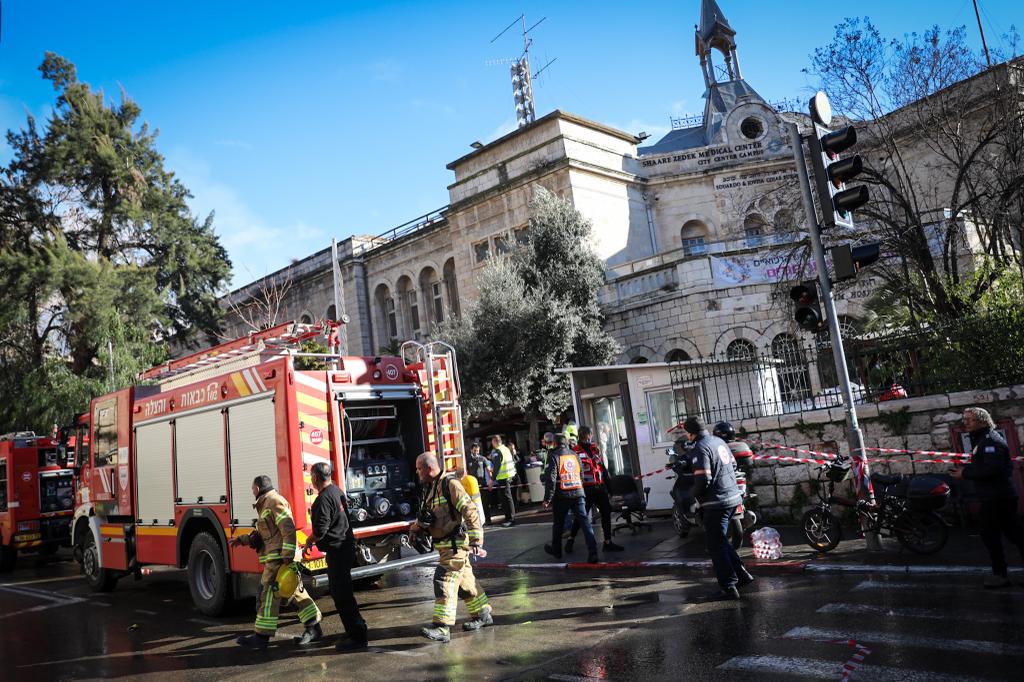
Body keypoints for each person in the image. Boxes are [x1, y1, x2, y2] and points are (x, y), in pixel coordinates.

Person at [231, 475, 322, 650]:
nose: (252, 491)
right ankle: (314, 629)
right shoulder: (265, 504)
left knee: (267, 595)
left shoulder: (274, 501)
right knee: (295, 594)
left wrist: (287, 557)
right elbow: (265, 535)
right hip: (277, 558)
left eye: (252, 488)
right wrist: (243, 540)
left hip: (280, 559)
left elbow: (288, 529)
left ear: (257, 488)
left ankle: (261, 637)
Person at [413, 452, 493, 643]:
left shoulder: (450, 484)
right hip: (445, 547)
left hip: (455, 546)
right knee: (466, 585)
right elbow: (429, 516)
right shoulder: (430, 488)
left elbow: (470, 510)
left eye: (419, 469)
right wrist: (416, 529)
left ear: (429, 468)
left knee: (444, 581)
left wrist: (476, 539)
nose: (417, 472)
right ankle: (483, 614)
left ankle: (442, 627)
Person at [952, 407, 1024, 588]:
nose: (965, 423)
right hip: (994, 496)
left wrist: (965, 473)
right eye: (964, 419)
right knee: (1006, 533)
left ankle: (1000, 574)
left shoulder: (990, 441)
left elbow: (992, 469)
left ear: (982, 422)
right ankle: (1000, 573)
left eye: (969, 420)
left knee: (1000, 534)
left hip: (998, 497)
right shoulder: (982, 439)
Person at [683, 416, 754, 600]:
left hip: (717, 502)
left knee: (715, 545)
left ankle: (728, 586)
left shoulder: (700, 447)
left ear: (690, 433)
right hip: (732, 498)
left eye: (686, 433)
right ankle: (742, 575)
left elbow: (703, 479)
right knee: (721, 541)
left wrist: (693, 496)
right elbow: (733, 464)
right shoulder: (718, 441)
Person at [306, 462, 368, 651]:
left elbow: (320, 530)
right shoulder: (336, 491)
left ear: (316, 478)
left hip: (338, 551)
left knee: (342, 596)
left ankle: (357, 636)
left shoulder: (323, 499)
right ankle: (356, 629)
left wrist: (309, 540)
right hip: (345, 548)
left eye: (311, 476)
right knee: (344, 593)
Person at [566, 426, 624, 553]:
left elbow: (602, 469)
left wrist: (610, 489)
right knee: (581, 516)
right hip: (585, 490)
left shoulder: (594, 449)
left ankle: (607, 542)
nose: (591, 436)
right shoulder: (574, 452)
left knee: (606, 512)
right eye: (590, 434)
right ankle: (571, 539)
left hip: (599, 487)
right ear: (588, 435)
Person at [543, 434, 599, 563]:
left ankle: (557, 551)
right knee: (585, 523)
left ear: (555, 443)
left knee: (558, 524)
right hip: (578, 493)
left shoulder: (554, 456)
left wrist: (547, 499)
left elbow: (551, 479)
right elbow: (581, 474)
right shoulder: (574, 455)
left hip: (561, 496)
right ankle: (593, 552)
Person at [489, 435, 516, 527]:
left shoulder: (498, 451)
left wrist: (492, 479)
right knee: (508, 498)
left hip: (503, 477)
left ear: (494, 442)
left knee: (506, 499)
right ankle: (509, 518)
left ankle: (510, 519)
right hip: (509, 476)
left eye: (492, 442)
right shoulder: (505, 449)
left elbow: (497, 466)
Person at [468, 442, 494, 525]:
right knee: (474, 504)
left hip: (483, 484)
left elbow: (489, 470)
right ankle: (476, 522)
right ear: (471, 450)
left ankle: (488, 520)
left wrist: (491, 480)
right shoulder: (467, 460)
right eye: (474, 450)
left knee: (485, 503)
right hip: (472, 486)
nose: (476, 452)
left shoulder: (483, 459)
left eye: (477, 451)